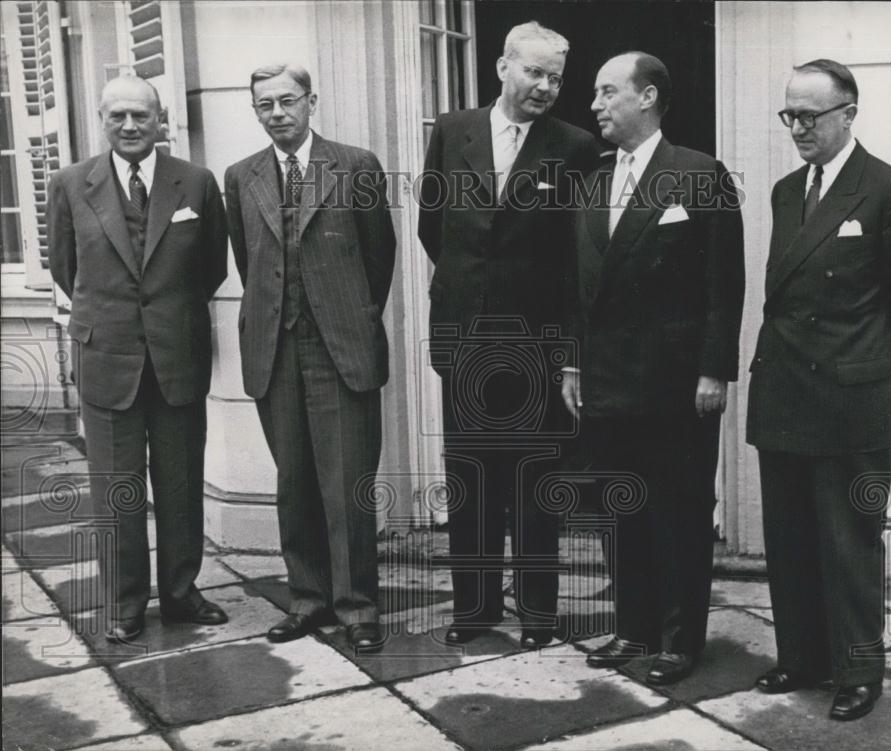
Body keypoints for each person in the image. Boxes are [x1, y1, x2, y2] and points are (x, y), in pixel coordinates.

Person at [747, 59, 891, 720]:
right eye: (788, 114)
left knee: (851, 540)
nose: (796, 127)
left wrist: (881, 381)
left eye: (810, 116)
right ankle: (802, 654)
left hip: (851, 397)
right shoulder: (782, 191)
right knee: (790, 535)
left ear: (848, 114)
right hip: (784, 390)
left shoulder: (890, 191)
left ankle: (859, 669)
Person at [563, 52, 744, 685]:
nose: (594, 105)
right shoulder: (592, 179)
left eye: (606, 91)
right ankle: (633, 628)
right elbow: (578, 287)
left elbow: (725, 285)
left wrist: (714, 371)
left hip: (675, 385)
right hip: (607, 381)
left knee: (680, 511)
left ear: (647, 97)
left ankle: (678, 640)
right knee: (622, 509)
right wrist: (573, 365)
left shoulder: (699, 174)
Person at [418, 21, 600, 649]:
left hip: (536, 341)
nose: (545, 86)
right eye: (534, 72)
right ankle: (473, 609)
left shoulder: (574, 148)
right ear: (502, 67)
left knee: (530, 480)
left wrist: (567, 352)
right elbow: (430, 229)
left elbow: (578, 260)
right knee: (470, 477)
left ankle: (539, 614)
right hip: (464, 335)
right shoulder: (452, 131)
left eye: (555, 77)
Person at [47, 75, 229, 643]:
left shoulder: (195, 184)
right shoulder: (72, 184)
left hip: (178, 356)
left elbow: (212, 268)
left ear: (161, 120)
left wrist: (168, 316)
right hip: (108, 359)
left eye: (141, 116)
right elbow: (64, 267)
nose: (130, 126)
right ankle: (126, 602)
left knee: (179, 484)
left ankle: (180, 593)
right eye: (118, 116)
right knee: (116, 488)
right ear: (101, 119)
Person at [224, 64, 396, 650]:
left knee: (346, 483)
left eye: (287, 101)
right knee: (294, 481)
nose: (277, 113)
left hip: (339, 349)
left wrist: (350, 319)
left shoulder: (355, 165)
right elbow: (251, 267)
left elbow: (380, 259)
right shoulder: (240, 176)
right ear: (256, 111)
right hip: (275, 349)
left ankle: (357, 608)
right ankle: (309, 600)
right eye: (264, 104)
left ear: (310, 102)